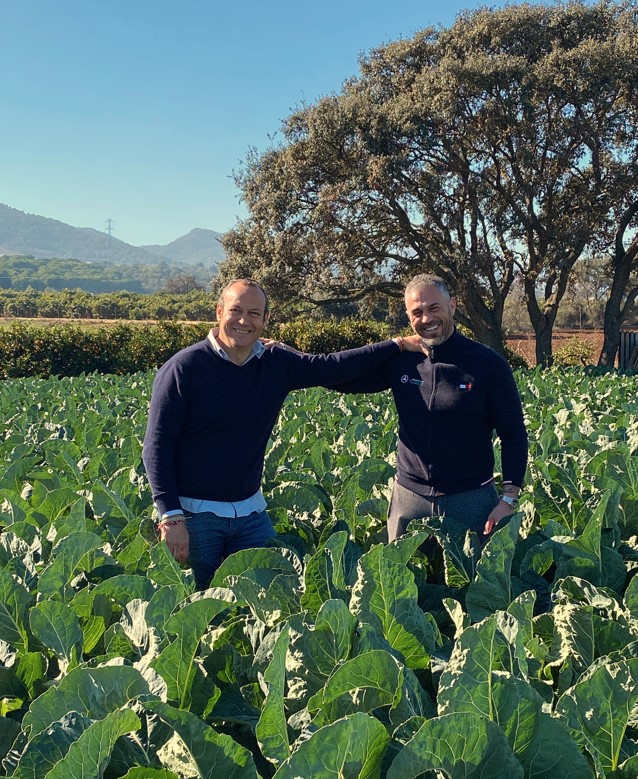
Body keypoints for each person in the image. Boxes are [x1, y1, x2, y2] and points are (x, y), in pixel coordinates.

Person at [142, 277, 426, 589]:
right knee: (198, 606)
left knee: (272, 598)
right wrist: (171, 516)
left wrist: (396, 345)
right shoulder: (184, 368)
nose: (243, 320)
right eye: (236, 310)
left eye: (254, 313)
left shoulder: (275, 363)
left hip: (250, 512)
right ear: (219, 311)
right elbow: (157, 446)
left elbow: (330, 367)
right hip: (195, 517)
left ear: (265, 320)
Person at [329, 273, 528, 542]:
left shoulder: (488, 364)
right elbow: (340, 377)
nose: (426, 319)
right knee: (399, 581)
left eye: (434, 308)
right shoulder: (401, 361)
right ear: (408, 316)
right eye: (417, 312)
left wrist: (509, 498)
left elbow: (513, 432)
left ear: (453, 306)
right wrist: (394, 345)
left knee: (470, 582)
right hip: (409, 500)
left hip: (470, 501)